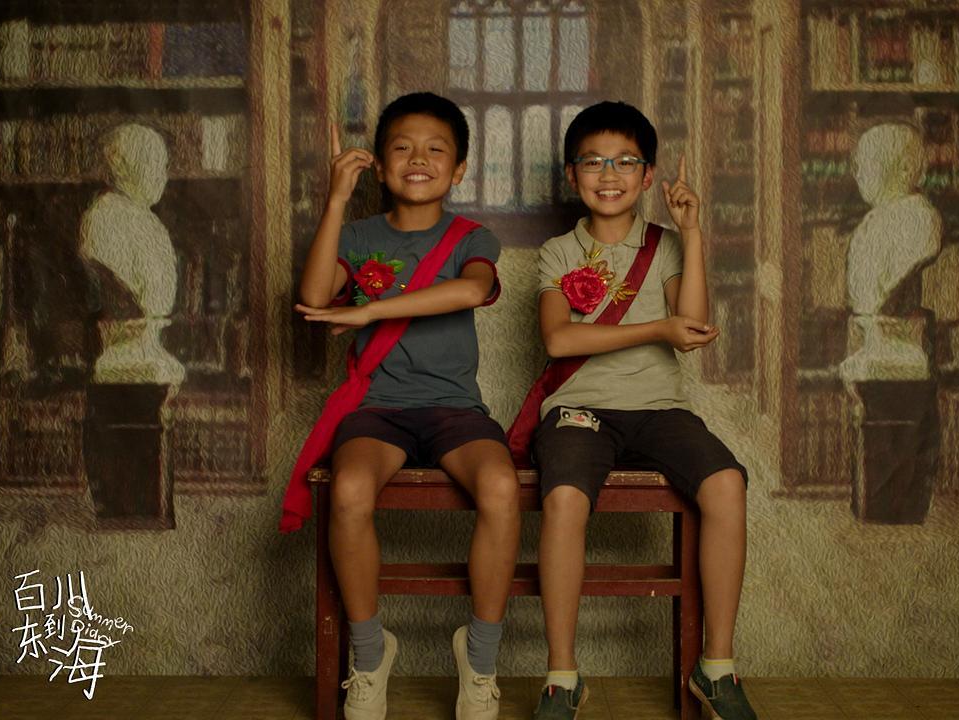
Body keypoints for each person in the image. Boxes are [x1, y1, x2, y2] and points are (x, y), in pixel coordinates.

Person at [281, 92, 520, 720]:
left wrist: (372, 311)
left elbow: (471, 290)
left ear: (459, 168)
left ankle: (480, 659)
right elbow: (314, 297)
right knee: (350, 490)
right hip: (378, 409)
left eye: (436, 149)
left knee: (501, 487)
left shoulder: (472, 237)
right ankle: (369, 655)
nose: (419, 159)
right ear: (381, 167)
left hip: (455, 408)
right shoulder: (358, 235)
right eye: (403, 148)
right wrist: (336, 199)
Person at [517, 101, 757, 720]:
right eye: (593, 161)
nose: (609, 174)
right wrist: (656, 328)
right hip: (579, 409)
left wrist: (693, 233)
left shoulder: (667, 245)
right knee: (563, 499)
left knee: (727, 483)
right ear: (571, 174)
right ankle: (562, 675)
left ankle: (717, 667)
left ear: (648, 176)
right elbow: (559, 340)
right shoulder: (558, 252)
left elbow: (693, 325)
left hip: (658, 407)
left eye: (625, 162)